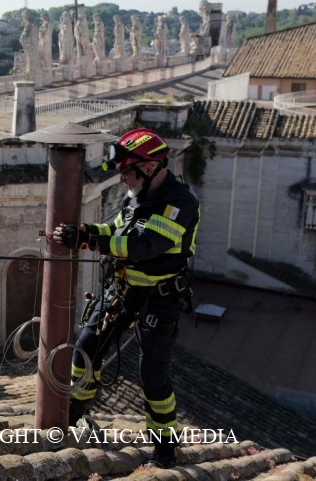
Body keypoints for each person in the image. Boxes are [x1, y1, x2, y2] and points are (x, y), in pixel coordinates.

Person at [52, 128, 199, 470]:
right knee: (86, 347)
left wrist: (91, 243)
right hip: (125, 289)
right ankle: (75, 409)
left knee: (152, 374)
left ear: (148, 168)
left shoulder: (180, 202)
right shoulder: (135, 198)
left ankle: (165, 446)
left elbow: (146, 246)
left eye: (126, 172)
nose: (122, 179)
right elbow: (116, 231)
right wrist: (87, 232)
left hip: (160, 297)